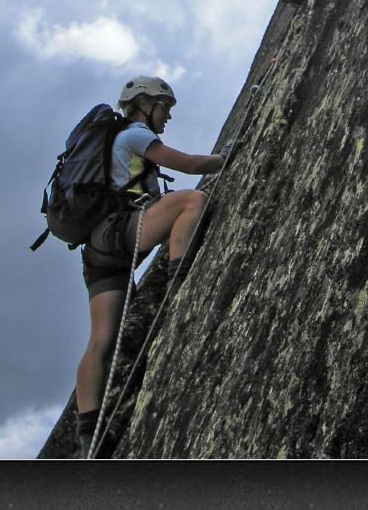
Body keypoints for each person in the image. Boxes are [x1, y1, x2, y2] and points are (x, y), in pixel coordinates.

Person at [74, 75, 232, 457]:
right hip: (122, 232)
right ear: (145, 104)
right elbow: (191, 165)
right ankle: (180, 281)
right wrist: (227, 156)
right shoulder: (134, 135)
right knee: (191, 201)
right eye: (165, 107)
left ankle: (88, 430)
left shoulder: (116, 141)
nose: (168, 116)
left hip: (98, 248)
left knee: (102, 340)